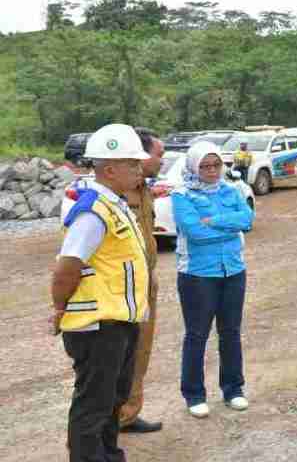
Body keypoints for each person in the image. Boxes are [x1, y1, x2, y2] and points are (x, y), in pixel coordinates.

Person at [52, 123, 152, 462]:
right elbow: (67, 267)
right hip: (97, 325)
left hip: (118, 321)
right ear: (110, 169)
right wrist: (58, 307)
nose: (140, 168)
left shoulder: (115, 205)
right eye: (132, 163)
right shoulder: (93, 211)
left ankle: (109, 455)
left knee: (113, 398)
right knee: (93, 405)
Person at [172, 141, 254, 419]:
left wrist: (214, 220)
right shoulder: (182, 195)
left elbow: (247, 219)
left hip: (233, 270)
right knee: (197, 334)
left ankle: (233, 389)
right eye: (205, 166)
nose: (211, 170)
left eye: (216, 165)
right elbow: (194, 232)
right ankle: (194, 394)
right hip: (197, 274)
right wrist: (227, 226)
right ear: (194, 167)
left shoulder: (231, 190)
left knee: (231, 332)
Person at [116, 127, 165, 434]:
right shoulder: (119, 191)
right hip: (124, 285)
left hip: (147, 281)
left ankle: (128, 413)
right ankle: (111, 419)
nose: (162, 160)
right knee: (119, 354)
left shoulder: (144, 188)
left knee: (140, 350)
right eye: (159, 154)